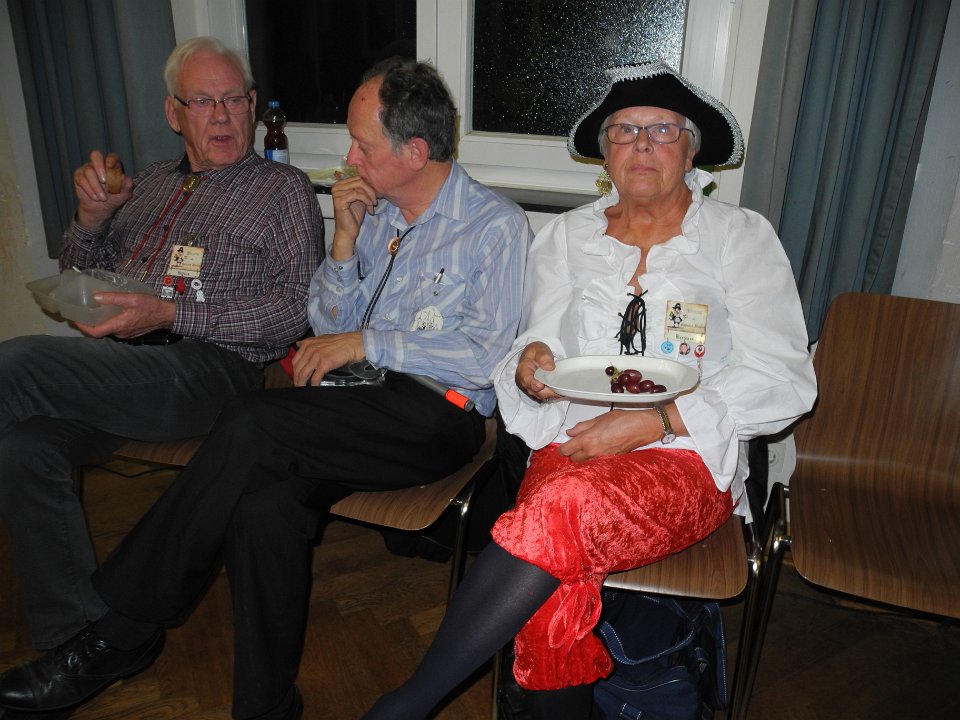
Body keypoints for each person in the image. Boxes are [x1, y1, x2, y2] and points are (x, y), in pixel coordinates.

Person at [0, 58, 530, 720]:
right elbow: (329, 326)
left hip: (434, 413)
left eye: (362, 144)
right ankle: (265, 706)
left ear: (414, 151)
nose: (349, 157)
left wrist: (368, 343)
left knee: (253, 419)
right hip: (347, 402)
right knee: (264, 506)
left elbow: (484, 357)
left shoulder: (495, 225)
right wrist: (344, 243)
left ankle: (121, 633)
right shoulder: (378, 215)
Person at [362, 61, 818, 720]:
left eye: (662, 130)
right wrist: (530, 366)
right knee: (551, 580)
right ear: (605, 153)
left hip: (688, 456)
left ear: (691, 150)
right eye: (624, 130)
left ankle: (406, 704)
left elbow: (784, 377)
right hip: (572, 440)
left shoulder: (740, 238)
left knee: (553, 516)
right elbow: (537, 343)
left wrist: (659, 419)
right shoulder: (567, 236)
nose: (642, 144)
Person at [0, 36, 320, 659]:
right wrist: (91, 219)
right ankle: (83, 636)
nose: (222, 115)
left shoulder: (282, 190)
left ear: (253, 105)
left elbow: (293, 310)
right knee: (21, 449)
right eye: (203, 101)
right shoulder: (144, 183)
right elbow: (78, 272)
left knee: (15, 364)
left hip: (210, 368)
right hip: (124, 365)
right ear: (174, 113)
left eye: (233, 99)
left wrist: (172, 311)